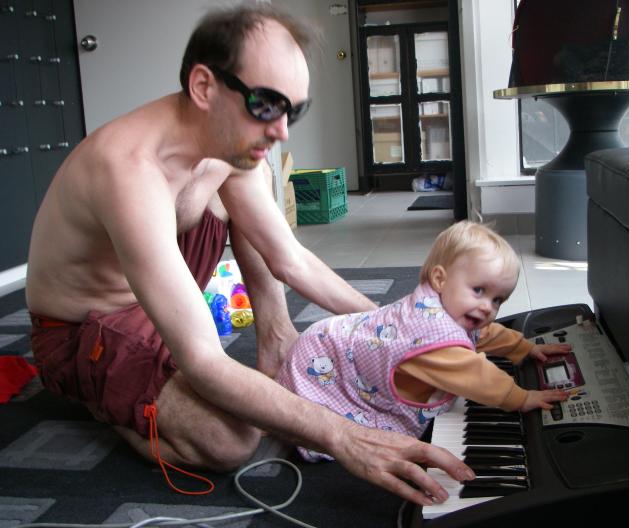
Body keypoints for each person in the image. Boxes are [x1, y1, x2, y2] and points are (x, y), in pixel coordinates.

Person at [24, 4, 474, 506]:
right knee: (230, 440)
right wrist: (345, 436)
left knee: (245, 175)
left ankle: (276, 341)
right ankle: (96, 394)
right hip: (86, 326)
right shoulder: (127, 170)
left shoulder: (226, 142)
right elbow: (202, 360)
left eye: (292, 111)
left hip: (158, 287)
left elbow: (290, 259)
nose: (282, 131)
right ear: (203, 87)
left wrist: (403, 334)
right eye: (266, 105)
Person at [277, 221, 571, 461]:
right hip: (323, 362)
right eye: (479, 290)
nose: (487, 307)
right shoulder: (433, 336)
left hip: (333, 339)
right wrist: (523, 398)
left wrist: (525, 348)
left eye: (497, 300)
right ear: (440, 279)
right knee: (325, 426)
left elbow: (484, 333)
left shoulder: (447, 306)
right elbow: (478, 376)